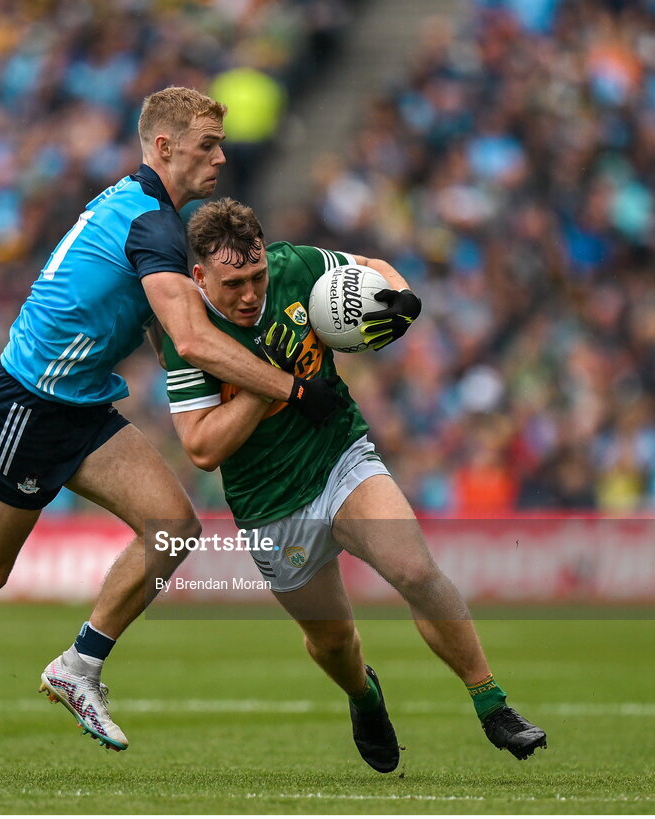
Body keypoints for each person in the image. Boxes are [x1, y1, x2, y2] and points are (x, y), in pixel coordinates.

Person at [0, 88, 345, 752]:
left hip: (76, 405)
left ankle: (79, 665)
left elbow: (168, 337)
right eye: (207, 146)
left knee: (171, 525)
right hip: (21, 408)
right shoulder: (153, 226)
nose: (221, 157)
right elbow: (190, 341)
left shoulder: (151, 216)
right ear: (163, 147)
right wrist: (294, 389)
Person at [160, 198, 546, 771]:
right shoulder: (186, 337)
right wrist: (274, 385)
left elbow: (369, 264)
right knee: (334, 642)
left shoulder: (296, 268)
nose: (249, 293)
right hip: (269, 505)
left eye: (257, 276)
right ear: (199, 276)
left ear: (269, 258)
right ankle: (365, 697)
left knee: (415, 570)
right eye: (233, 282)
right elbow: (201, 448)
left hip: (340, 454)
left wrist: (401, 293)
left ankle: (493, 704)